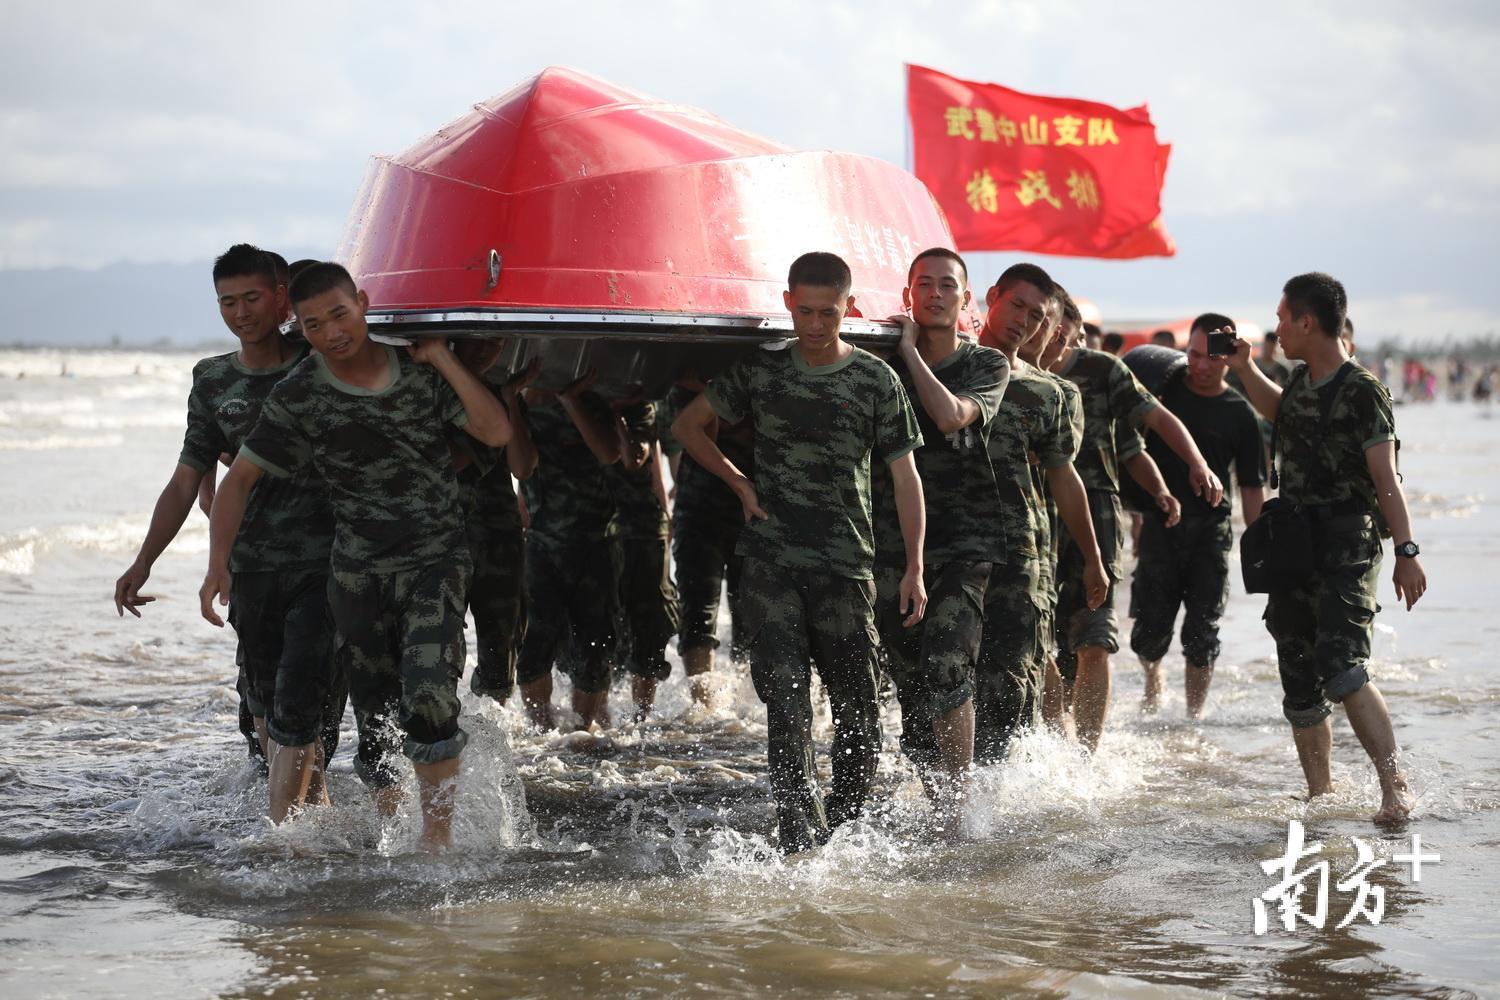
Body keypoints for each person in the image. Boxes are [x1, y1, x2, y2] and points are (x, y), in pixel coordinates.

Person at [200, 261, 513, 850]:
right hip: (357, 574)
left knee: (427, 692)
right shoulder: (304, 391)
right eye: (313, 324)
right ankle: (390, 833)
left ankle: (435, 839)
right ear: (301, 326)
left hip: (433, 562)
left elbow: (495, 432)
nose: (331, 333)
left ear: (363, 304)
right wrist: (219, 564)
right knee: (376, 721)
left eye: (340, 315)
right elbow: (239, 479)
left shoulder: (418, 375)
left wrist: (443, 358)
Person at [673, 251, 926, 854]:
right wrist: (738, 483)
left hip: (845, 565)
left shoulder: (873, 379)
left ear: (849, 308)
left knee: (857, 707)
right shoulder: (761, 373)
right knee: (785, 702)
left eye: (828, 313)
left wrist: (914, 565)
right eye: (805, 311)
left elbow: (905, 475)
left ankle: (846, 830)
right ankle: (798, 836)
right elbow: (688, 426)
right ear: (787, 303)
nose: (815, 325)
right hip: (771, 561)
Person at [114, 243, 337, 822]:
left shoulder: (317, 363)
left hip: (327, 563)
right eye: (227, 302)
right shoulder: (212, 379)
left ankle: (282, 838)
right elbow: (189, 476)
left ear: (282, 295)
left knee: (301, 699)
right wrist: (144, 563)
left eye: (252, 298)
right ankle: (316, 823)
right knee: (263, 710)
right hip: (251, 569)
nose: (240, 312)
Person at [1228, 272, 1423, 824]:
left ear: (1307, 321)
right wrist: (1243, 369)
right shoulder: (1298, 382)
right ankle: (1321, 794)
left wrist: (1407, 550)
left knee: (1342, 664)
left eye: (1282, 317)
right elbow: (1280, 412)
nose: (1278, 329)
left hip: (1347, 542)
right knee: (1297, 666)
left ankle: (1394, 785)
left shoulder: (1362, 389)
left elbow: (1385, 477)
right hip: (1295, 541)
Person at [1048, 291, 1224, 751]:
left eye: (1063, 333)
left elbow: (1139, 440)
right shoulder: (1014, 369)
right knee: (1046, 644)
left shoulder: (1103, 372)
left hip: (1099, 515)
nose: (1052, 341)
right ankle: (1053, 743)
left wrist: (1181, 474)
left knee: (1095, 637)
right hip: (1036, 516)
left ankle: (1084, 758)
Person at [870, 248, 1008, 816]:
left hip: (963, 542)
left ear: (964, 298)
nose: (934, 294)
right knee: (910, 678)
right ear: (908, 296)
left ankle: (959, 811)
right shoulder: (878, 361)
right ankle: (937, 806)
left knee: (949, 662)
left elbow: (952, 416)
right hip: (892, 540)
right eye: (922, 285)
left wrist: (906, 351)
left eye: (946, 286)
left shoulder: (987, 364)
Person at [975, 263, 1107, 759]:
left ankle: (993, 810)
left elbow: (1064, 477)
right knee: (938, 681)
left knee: (1014, 684)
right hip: (946, 553)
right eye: (1016, 306)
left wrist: (1093, 558)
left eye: (1036, 315)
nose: (1024, 321)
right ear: (991, 298)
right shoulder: (944, 367)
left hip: (1019, 556)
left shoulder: (1049, 393)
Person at [1130, 314, 1267, 718]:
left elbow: (1252, 487)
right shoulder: (1162, 393)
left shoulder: (1240, 413)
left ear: (1229, 356)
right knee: (1151, 627)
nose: (1201, 365)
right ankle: (1153, 678)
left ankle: (1194, 716)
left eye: (1211, 357)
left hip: (1211, 531)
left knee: (1203, 629)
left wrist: (1258, 549)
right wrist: (1137, 515)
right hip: (1161, 523)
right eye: (1193, 354)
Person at [513, 374, 620, 730]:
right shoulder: (518, 403)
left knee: (594, 648)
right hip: (543, 543)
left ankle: (581, 732)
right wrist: (513, 400)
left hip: (594, 540)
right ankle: (543, 733)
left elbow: (609, 453)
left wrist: (570, 400)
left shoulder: (592, 399)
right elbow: (521, 467)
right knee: (535, 648)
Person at [450, 344, 536, 708]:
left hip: (499, 539)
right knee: (435, 651)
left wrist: (509, 400)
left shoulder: (503, 395)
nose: (484, 351)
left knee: (500, 653)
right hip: (446, 539)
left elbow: (523, 467)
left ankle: (492, 747)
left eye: (492, 343)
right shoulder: (437, 392)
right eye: (475, 342)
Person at [661, 378, 755, 707]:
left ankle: (747, 704)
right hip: (700, 508)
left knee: (752, 612)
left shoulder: (758, 375)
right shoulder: (686, 384)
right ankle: (706, 708)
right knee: (698, 611)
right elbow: (697, 438)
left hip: (753, 509)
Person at [600, 399, 682, 721]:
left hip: (644, 529)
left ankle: (640, 719)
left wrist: (665, 515)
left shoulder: (641, 403)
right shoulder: (586, 396)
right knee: (606, 623)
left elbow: (646, 462)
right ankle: (600, 715)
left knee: (649, 624)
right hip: (601, 527)